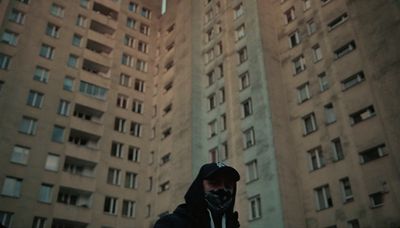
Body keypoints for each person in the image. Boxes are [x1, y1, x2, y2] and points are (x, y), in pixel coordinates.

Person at [154, 162, 240, 228]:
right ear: (199, 187)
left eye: (228, 185)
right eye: (214, 183)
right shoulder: (171, 224)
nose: (222, 189)